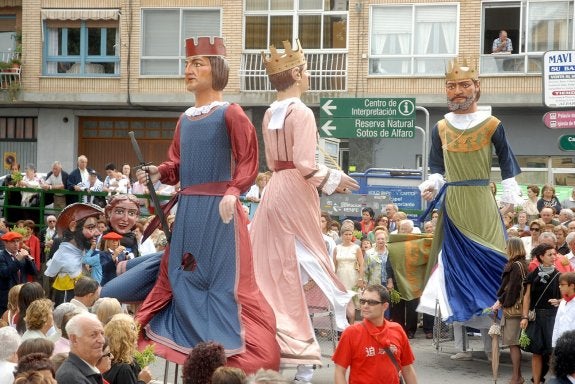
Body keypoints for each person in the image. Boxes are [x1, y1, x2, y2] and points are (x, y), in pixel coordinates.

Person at [133, 36, 279, 371]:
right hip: (189, 211)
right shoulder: (184, 118)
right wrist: (159, 172)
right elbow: (179, 165)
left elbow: (248, 160)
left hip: (219, 211)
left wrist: (233, 191)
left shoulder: (232, 112)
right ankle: (188, 346)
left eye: (197, 64)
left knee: (222, 281)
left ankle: (222, 350)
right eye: (187, 64)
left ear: (216, 69)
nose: (188, 70)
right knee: (183, 275)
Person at [250, 39, 358, 383]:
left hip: (274, 188)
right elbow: (305, 164)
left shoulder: (270, 112)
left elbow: (273, 161)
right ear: (296, 73)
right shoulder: (302, 112)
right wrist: (336, 178)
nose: (308, 76)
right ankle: (316, 339)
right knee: (313, 256)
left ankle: (282, 344)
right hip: (296, 187)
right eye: (306, 70)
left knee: (271, 268)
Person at [417, 58, 523, 333]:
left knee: (497, 257)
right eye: (451, 86)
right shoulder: (440, 127)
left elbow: (507, 163)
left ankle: (500, 319)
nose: (457, 92)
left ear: (477, 86)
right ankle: (464, 327)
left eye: (464, 85)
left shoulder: (491, 124)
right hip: (454, 203)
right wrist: (432, 183)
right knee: (455, 263)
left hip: (481, 200)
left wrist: (510, 193)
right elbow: (438, 168)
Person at [332, 284, 417, 384]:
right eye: (363, 301)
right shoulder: (351, 333)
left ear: (385, 306)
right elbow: (339, 371)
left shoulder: (397, 330)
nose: (365, 306)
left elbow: (407, 369)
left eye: (371, 302)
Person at [44, 203, 103, 306]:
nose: (97, 233)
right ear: (73, 226)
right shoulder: (63, 255)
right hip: (67, 295)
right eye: (91, 227)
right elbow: (51, 272)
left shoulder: (81, 251)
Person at [520, 244, 562, 384]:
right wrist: (525, 316)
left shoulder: (559, 276)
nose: (553, 257)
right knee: (537, 352)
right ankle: (536, 382)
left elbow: (568, 297)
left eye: (554, 254)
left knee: (552, 352)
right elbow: (527, 297)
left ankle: (556, 381)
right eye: (550, 254)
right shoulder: (532, 275)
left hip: (553, 318)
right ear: (541, 257)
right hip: (536, 317)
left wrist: (559, 301)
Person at [491, 237, 529, 384]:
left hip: (514, 310)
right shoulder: (524, 264)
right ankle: (517, 376)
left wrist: (502, 302)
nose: (506, 249)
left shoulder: (515, 266)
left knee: (513, 344)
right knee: (515, 344)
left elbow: (512, 289)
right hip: (521, 309)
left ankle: (516, 377)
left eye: (508, 247)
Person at [55, 312, 105, 384]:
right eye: (93, 335)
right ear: (74, 339)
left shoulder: (84, 370)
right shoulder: (71, 378)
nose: (102, 340)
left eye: (102, 333)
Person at [103, 314, 152, 384]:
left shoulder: (106, 361)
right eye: (133, 338)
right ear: (126, 342)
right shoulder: (124, 369)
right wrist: (143, 381)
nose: (136, 341)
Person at [0, 231, 36, 314]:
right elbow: (4, 273)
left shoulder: (22, 254)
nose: (16, 244)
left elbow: (34, 272)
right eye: (13, 241)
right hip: (7, 297)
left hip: (22, 295)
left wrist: (29, 259)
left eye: (17, 241)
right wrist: (18, 260)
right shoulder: (1, 256)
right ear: (5, 243)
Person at [551, 272, 575, 347]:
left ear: (572, 286)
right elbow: (557, 324)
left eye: (562, 285)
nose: (559, 287)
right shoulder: (562, 302)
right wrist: (554, 344)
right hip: (561, 343)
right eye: (559, 284)